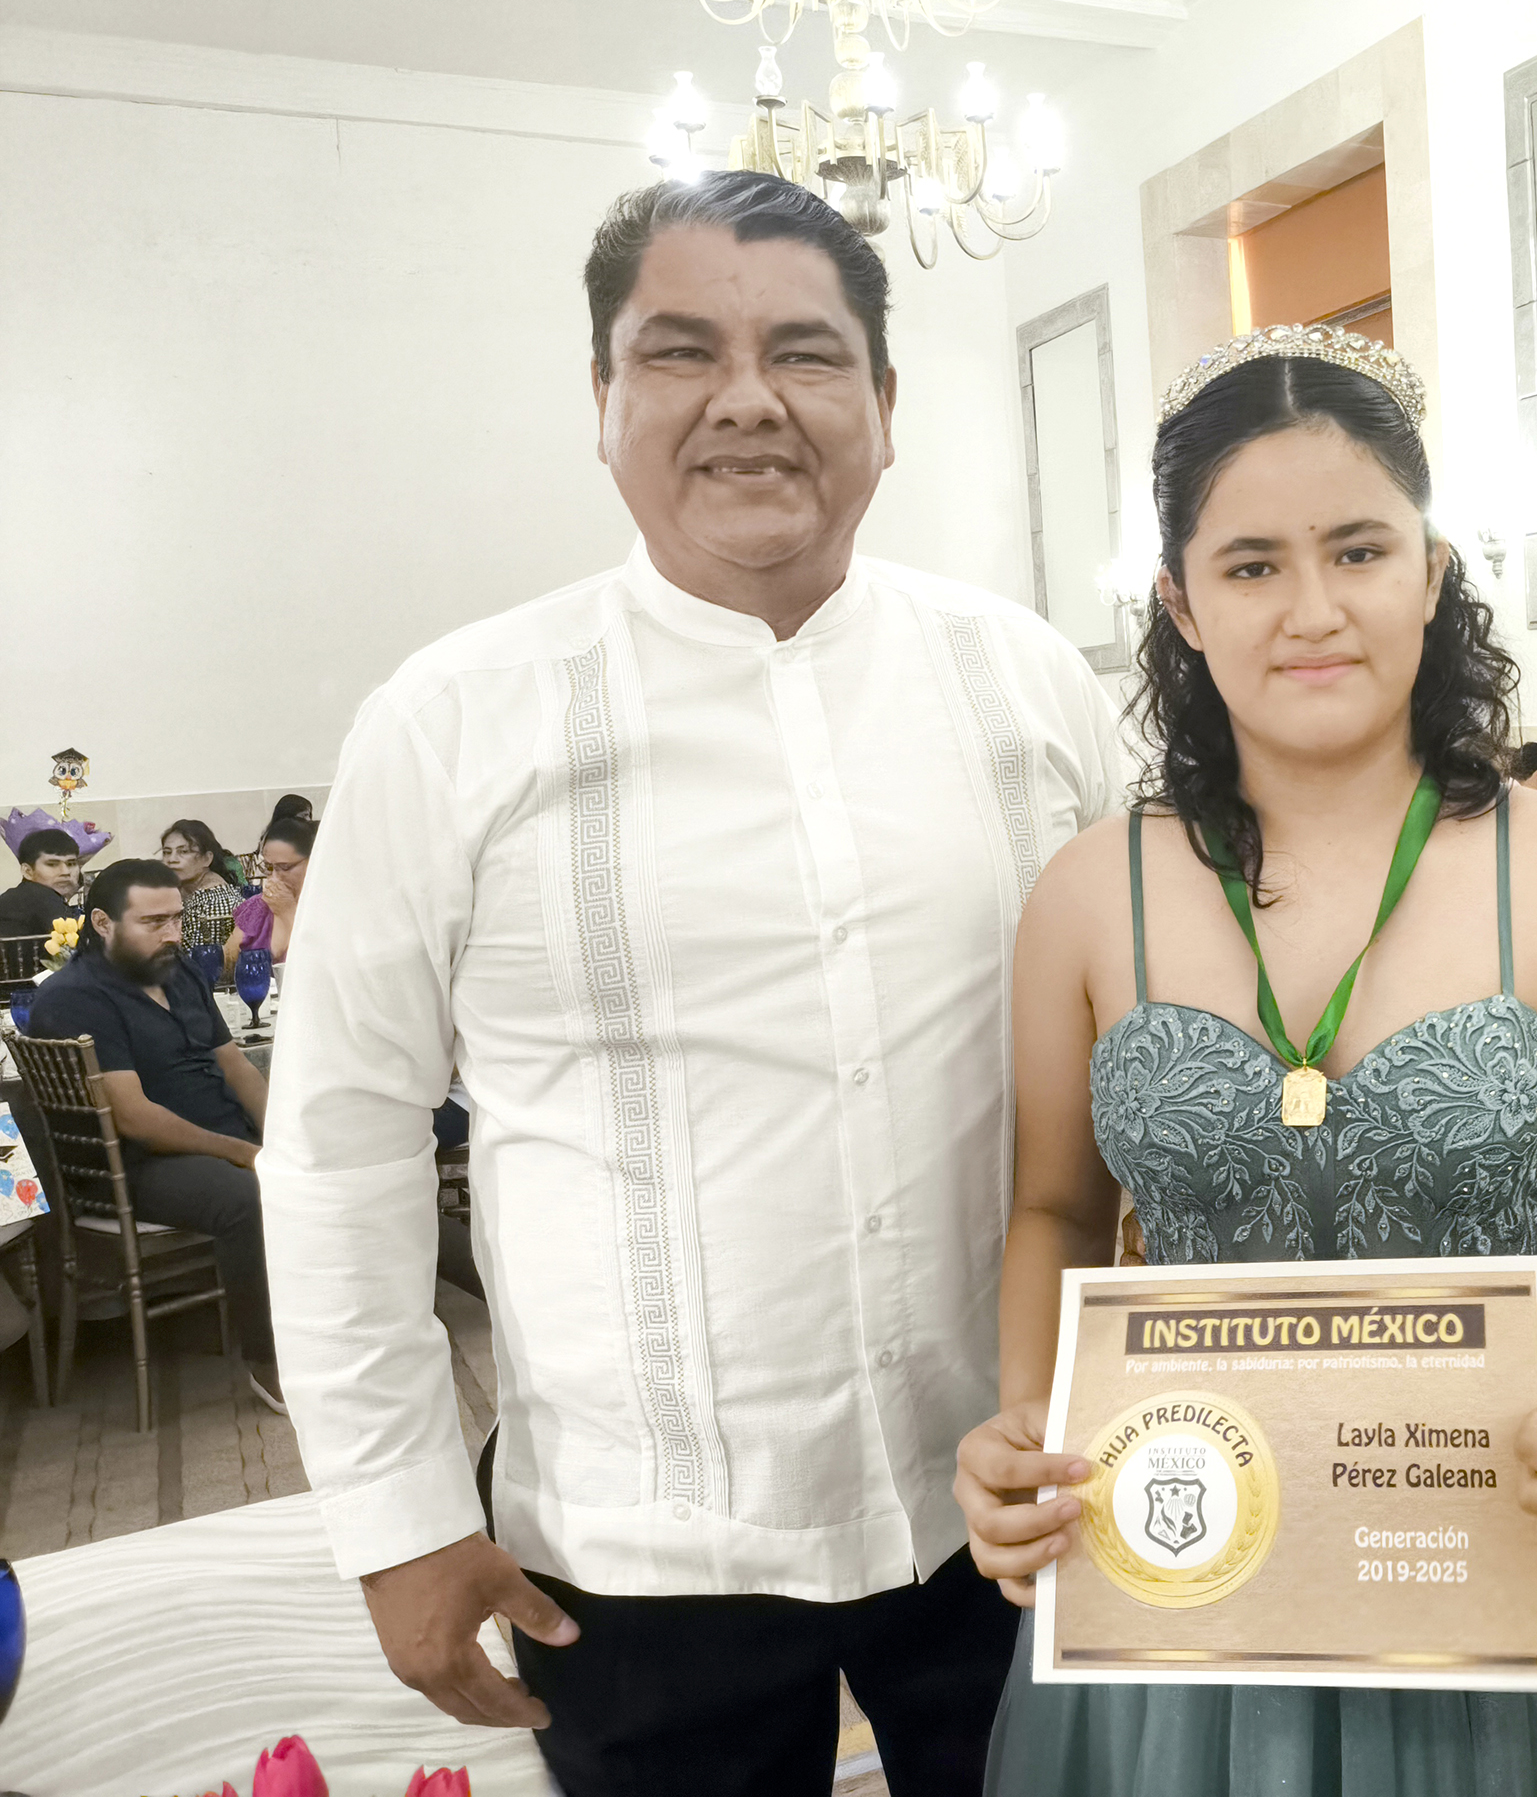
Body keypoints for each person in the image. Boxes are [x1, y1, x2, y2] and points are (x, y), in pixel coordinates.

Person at [257, 169, 1121, 1797]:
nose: (747, 399)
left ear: (884, 403)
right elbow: (340, 1142)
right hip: (639, 1544)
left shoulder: (1026, 685)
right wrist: (399, 1515)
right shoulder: (455, 721)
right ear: (601, 399)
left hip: (1014, 1492)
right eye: (679, 353)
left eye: (804, 352)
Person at [955, 328, 1537, 1797]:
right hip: (1182, 1568)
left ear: (1432, 571)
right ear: (1180, 603)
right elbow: (1053, 1213)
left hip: (1488, 1561)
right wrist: (1029, 1426)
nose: (1312, 610)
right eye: (1250, 565)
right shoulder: (1088, 894)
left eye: (1357, 550)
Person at [27, 859, 285, 1412]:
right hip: (134, 1166)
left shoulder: (180, 972)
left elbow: (236, 1067)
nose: (172, 933)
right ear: (102, 922)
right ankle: (270, 1363)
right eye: (153, 922)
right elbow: (135, 1118)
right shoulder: (75, 997)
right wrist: (247, 1153)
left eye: (177, 918)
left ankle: (368, 1314)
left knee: (332, 1161)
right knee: (247, 1194)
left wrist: (284, 1137)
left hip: (219, 1142)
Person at [224, 817, 313, 973]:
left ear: (312, 861)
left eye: (285, 867)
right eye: (269, 868)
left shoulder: (326, 906)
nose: (274, 878)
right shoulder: (257, 906)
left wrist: (287, 913)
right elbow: (228, 965)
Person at [159, 819, 245, 951]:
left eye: (183, 851)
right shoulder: (179, 890)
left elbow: (198, 960)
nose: (172, 859)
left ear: (207, 859)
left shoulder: (215, 903)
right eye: (167, 852)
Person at [0, 828, 82, 940]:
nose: (65, 872)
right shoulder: (38, 896)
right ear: (27, 871)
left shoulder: (17, 896)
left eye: (71, 864)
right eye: (52, 864)